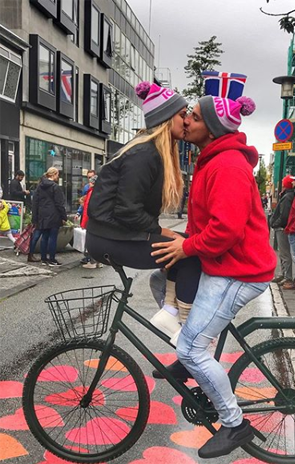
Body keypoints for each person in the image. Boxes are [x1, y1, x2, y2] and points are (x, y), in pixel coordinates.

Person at [151, 94, 277, 459]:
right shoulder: (213, 160)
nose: (185, 120)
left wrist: (186, 247)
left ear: (213, 127)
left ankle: (234, 424)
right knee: (161, 282)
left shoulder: (227, 167)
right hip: (222, 264)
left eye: (192, 116)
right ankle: (189, 357)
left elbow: (226, 230)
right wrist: (182, 241)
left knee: (191, 346)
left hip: (238, 271)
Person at [86, 82, 202, 343]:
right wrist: (162, 231)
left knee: (185, 245)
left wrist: (167, 234)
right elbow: (127, 210)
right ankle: (185, 332)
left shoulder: (151, 151)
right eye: (181, 115)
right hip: (109, 238)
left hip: (114, 233)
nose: (185, 122)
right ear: (165, 118)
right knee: (189, 254)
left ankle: (171, 312)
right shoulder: (144, 153)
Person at [29, 167, 67, 266]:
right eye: (57, 174)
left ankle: (43, 259)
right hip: (54, 215)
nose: (58, 177)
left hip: (42, 215)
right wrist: (64, 217)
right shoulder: (55, 187)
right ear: (54, 175)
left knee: (45, 237)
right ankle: (52, 259)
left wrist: (35, 216)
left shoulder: (39, 186)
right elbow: (59, 204)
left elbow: (35, 202)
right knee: (52, 238)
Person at [270, 175, 295, 284]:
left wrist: (275, 223)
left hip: (282, 228)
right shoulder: (288, 196)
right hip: (281, 227)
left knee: (284, 252)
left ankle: (287, 276)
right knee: (282, 252)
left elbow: (284, 215)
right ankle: (283, 274)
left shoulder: (287, 197)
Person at [80, 175, 103, 269]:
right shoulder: (102, 191)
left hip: (91, 221)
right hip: (99, 220)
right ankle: (99, 261)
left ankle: (92, 262)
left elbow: (87, 209)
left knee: (91, 241)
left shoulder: (91, 192)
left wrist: (83, 223)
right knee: (98, 241)